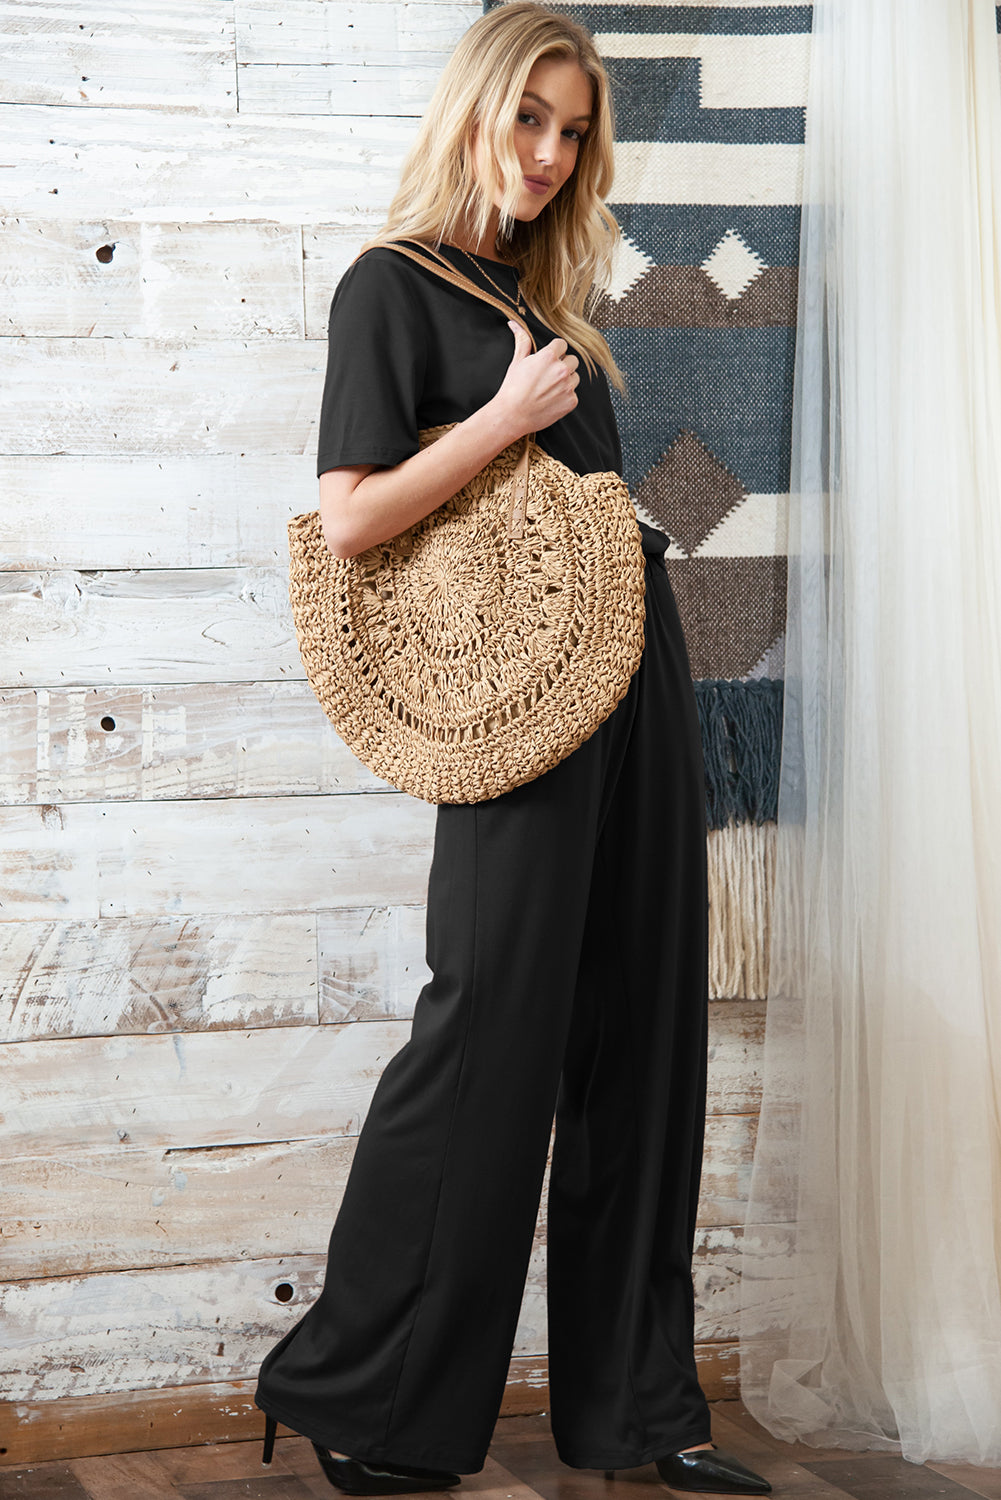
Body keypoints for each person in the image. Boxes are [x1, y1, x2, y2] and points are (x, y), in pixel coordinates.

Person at [255, 4, 771, 1496]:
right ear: (477, 111)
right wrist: (497, 421)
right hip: (511, 708)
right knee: (488, 1033)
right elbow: (350, 516)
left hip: (637, 671)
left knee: (641, 1036)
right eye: (529, 119)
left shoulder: (550, 303)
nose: (548, 154)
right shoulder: (391, 288)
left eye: (572, 131)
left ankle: (638, 1413)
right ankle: (370, 1401)